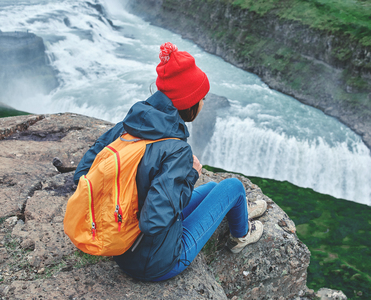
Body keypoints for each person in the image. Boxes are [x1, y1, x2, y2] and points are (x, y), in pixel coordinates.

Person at [73, 42, 267, 281]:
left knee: (215, 189)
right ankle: (242, 236)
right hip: (157, 262)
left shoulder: (127, 128)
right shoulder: (176, 151)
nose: (204, 103)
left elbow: (81, 174)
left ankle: (240, 212)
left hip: (121, 244)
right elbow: (154, 221)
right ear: (189, 103)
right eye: (202, 97)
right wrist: (190, 175)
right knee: (233, 186)